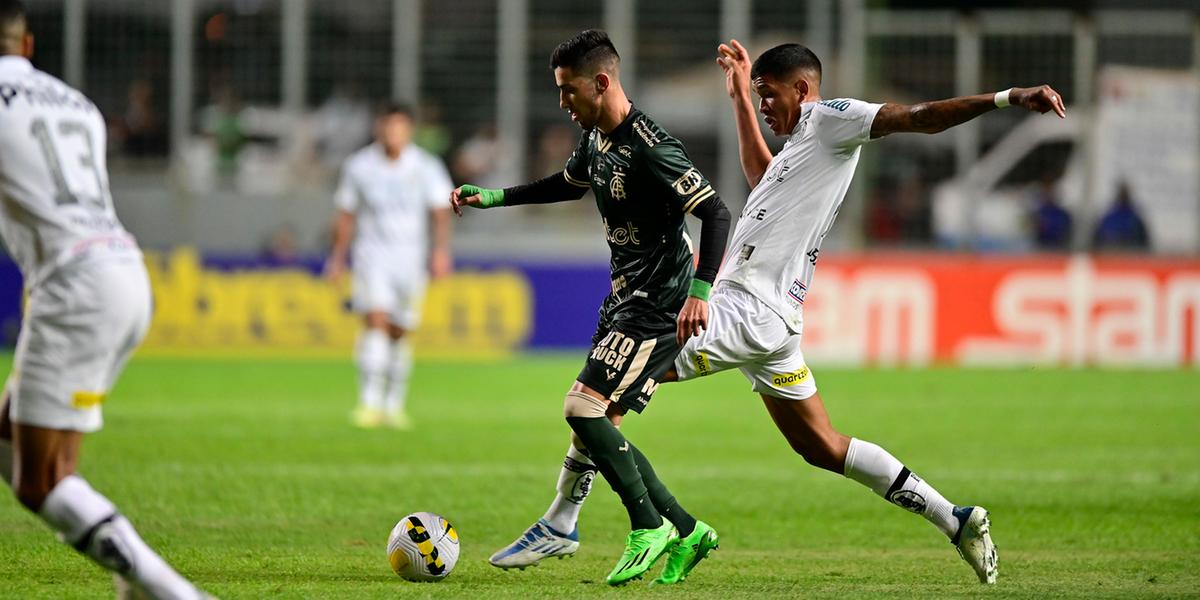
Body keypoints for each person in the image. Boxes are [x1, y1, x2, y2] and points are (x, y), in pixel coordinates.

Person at [496, 39, 1068, 586]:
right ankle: (956, 517)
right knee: (821, 445)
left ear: (804, 88)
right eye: (760, 95)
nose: (767, 105)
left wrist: (1007, 97)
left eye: (771, 94)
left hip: (744, 311)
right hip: (773, 325)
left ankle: (576, 521)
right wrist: (742, 97)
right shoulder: (804, 146)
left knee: (601, 390)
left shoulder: (833, 119)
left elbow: (917, 115)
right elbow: (758, 174)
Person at [451, 30, 732, 586]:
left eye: (568, 90)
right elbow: (567, 184)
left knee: (582, 409)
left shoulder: (650, 145)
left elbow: (717, 213)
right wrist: (494, 197)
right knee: (600, 425)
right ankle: (686, 528)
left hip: (659, 303)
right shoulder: (596, 137)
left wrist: (700, 294)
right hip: (625, 295)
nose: (563, 103)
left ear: (601, 83)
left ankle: (645, 527)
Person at [0, 2, 209, 598]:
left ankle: (170, 592)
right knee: (8, 435)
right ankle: (137, 577)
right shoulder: (77, 103)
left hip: (74, 289)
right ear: (28, 42)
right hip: (123, 271)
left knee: (39, 482)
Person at [325, 102, 453, 430]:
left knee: (401, 330)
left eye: (398, 127)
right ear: (377, 128)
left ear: (409, 130)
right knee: (375, 321)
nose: (392, 133)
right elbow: (345, 213)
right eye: (387, 126)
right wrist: (337, 257)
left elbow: (439, 210)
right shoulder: (359, 165)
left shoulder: (425, 165)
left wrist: (440, 251)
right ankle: (369, 403)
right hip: (372, 255)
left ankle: (394, 404)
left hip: (410, 257)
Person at [1092, 181, 1149, 251]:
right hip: (1109, 254)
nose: (1123, 196)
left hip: (1130, 255)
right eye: (1122, 193)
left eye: (1124, 193)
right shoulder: (1108, 218)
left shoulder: (1135, 219)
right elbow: (1096, 240)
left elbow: (1144, 243)